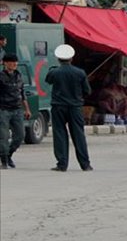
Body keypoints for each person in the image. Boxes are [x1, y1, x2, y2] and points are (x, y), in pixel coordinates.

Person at [45, 44, 93, 172]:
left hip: (58, 107)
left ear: (58, 58)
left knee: (60, 134)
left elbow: (48, 80)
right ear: (71, 58)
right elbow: (87, 91)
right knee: (79, 135)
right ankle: (85, 164)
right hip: (75, 107)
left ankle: (62, 164)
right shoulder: (80, 73)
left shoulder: (54, 72)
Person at [0, 54, 32, 169]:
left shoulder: (19, 76)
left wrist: (27, 109)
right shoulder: (1, 77)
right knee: (3, 136)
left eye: (15, 62)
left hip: (17, 109)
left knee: (20, 135)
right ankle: (3, 160)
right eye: (11, 62)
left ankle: (9, 154)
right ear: (5, 63)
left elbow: (22, 93)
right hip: (3, 109)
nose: (14, 64)